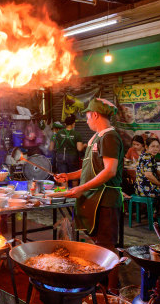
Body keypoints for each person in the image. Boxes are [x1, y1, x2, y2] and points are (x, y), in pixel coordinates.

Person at [54, 98, 123, 291]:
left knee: (107, 246)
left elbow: (110, 171)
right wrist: (68, 176)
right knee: (96, 242)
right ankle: (100, 280)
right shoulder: (95, 137)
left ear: (95, 114)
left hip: (105, 199)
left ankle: (112, 288)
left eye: (87, 115)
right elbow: (87, 170)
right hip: (93, 198)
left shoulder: (109, 137)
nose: (86, 119)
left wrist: (81, 188)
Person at [49, 115, 84, 187]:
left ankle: (65, 195)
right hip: (73, 157)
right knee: (74, 177)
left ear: (65, 124)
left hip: (61, 157)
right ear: (73, 124)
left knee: (63, 177)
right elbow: (79, 148)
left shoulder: (58, 133)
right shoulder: (77, 134)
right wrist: (85, 145)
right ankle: (74, 196)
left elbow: (52, 147)